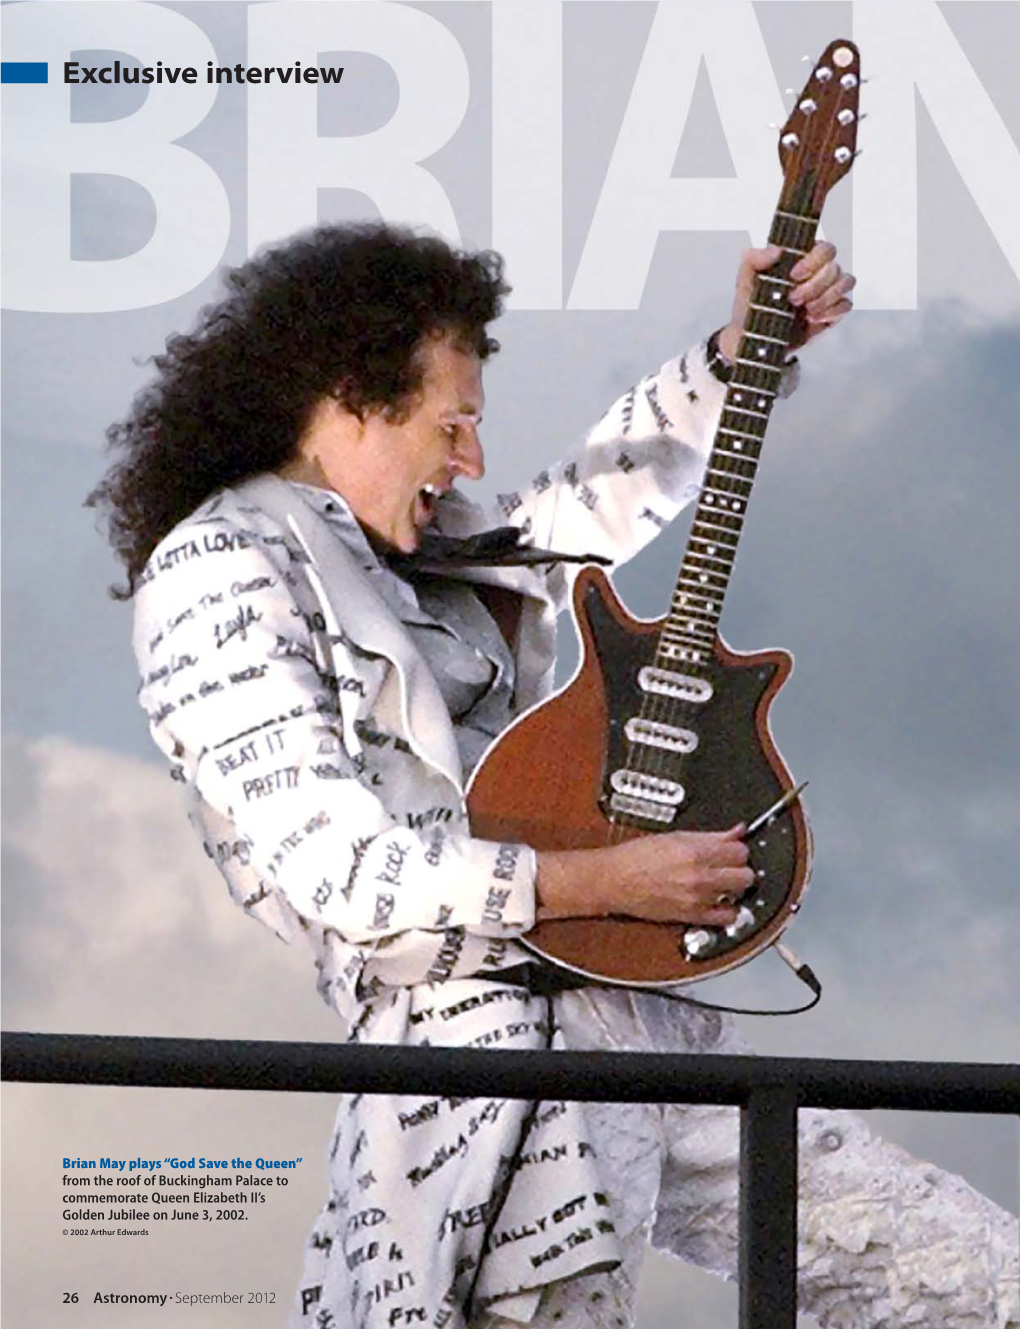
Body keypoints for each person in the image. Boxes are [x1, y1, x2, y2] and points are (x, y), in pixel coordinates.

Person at [88, 223, 1017, 1329]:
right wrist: (610, 881)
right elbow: (341, 869)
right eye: (455, 422)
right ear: (351, 398)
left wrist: (737, 353)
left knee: (972, 1275)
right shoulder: (218, 568)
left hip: (639, 1017)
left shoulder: (410, 547)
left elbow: (576, 513)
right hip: (481, 1061)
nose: (470, 457)